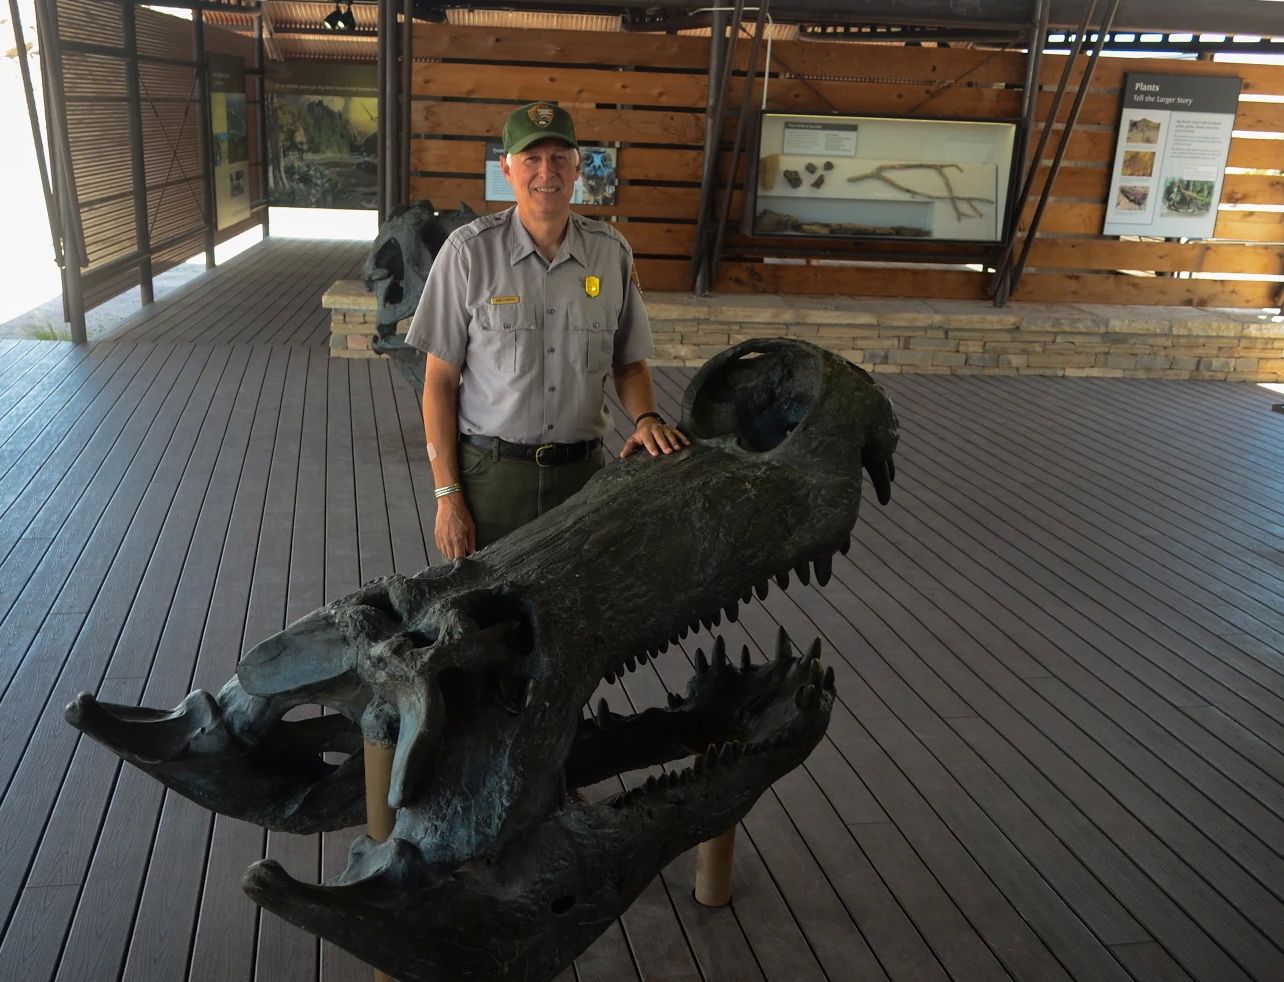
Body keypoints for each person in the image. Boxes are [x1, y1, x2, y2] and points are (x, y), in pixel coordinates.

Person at [405, 101, 689, 560]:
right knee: (488, 622)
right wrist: (447, 496)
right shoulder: (468, 254)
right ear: (506, 168)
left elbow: (629, 364)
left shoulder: (611, 253)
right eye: (531, 159)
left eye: (559, 158)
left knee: (585, 616)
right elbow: (438, 382)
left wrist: (647, 418)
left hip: (584, 481)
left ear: (578, 166)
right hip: (491, 484)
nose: (546, 172)